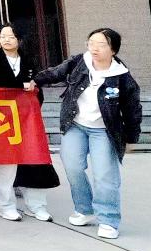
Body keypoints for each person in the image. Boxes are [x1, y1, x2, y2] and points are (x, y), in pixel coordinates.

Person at [33, 28, 142, 239]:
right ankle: (84, 209)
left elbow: (133, 110)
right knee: (73, 167)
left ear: (113, 50)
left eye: (101, 44)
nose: (94, 48)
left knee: (104, 176)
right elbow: (55, 73)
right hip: (75, 125)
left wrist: (131, 138)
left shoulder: (121, 77)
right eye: (91, 43)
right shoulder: (79, 62)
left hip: (104, 131)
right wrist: (34, 80)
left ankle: (108, 220)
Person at [0, 24, 60, 223]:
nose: (6, 40)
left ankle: (36, 205)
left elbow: (36, 86)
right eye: (2, 37)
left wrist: (32, 93)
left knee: (33, 161)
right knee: (6, 163)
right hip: (1, 118)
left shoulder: (28, 58)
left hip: (27, 119)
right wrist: (20, 86)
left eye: (11, 36)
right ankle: (5, 205)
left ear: (19, 39)